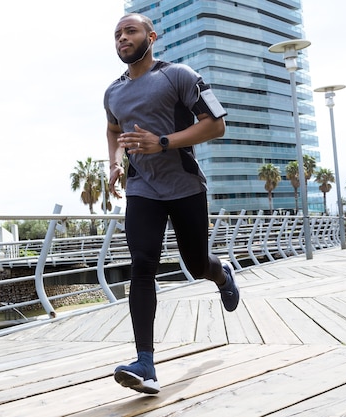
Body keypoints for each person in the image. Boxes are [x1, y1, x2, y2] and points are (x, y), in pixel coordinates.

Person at [104, 13, 240, 395]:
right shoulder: (112, 92)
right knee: (141, 265)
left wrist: (162, 142)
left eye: (130, 31)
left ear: (151, 36)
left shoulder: (178, 75)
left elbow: (216, 125)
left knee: (197, 264)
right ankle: (145, 364)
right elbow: (114, 129)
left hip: (184, 185)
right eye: (116, 35)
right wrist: (115, 163)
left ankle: (221, 273)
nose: (122, 39)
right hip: (142, 188)